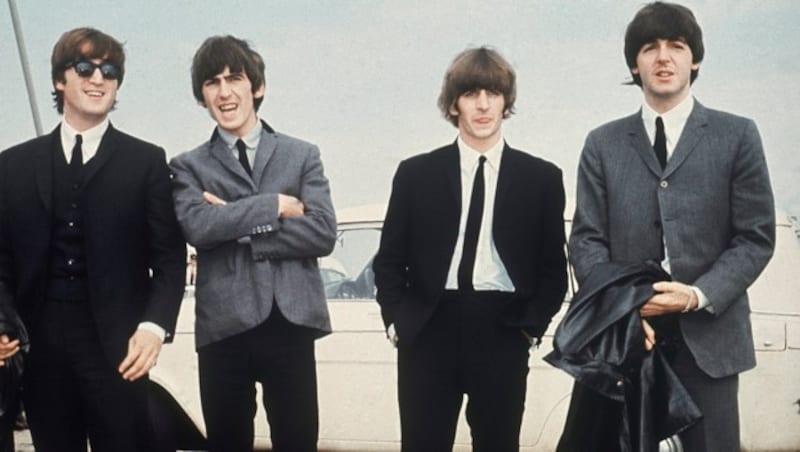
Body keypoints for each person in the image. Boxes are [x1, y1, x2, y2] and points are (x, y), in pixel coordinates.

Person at [564, 2, 775, 450]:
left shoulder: (737, 135)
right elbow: (586, 239)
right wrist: (621, 310)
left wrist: (698, 295)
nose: (663, 57)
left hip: (711, 347)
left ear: (694, 59)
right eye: (650, 47)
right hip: (625, 341)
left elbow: (755, 237)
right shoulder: (602, 144)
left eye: (676, 46)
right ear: (634, 64)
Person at [0, 27, 186, 452]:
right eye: (84, 67)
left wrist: (154, 327)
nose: (98, 78)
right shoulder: (12, 166)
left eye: (109, 70)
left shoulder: (146, 161)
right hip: (39, 348)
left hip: (119, 350)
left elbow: (171, 259)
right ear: (58, 80)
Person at [373, 47, 568, 451]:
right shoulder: (415, 174)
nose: (483, 104)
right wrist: (397, 322)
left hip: (503, 329)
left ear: (506, 102)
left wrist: (530, 329)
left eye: (493, 93)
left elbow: (554, 270)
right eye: (471, 93)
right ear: (454, 104)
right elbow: (390, 259)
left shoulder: (542, 178)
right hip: (428, 327)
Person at [170, 35, 336, 452]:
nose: (224, 92)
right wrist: (274, 206)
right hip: (223, 329)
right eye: (212, 83)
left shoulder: (302, 155)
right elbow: (198, 227)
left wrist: (239, 223)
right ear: (201, 95)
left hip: (290, 323)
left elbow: (322, 232)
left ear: (256, 87)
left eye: (234, 78)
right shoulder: (187, 165)